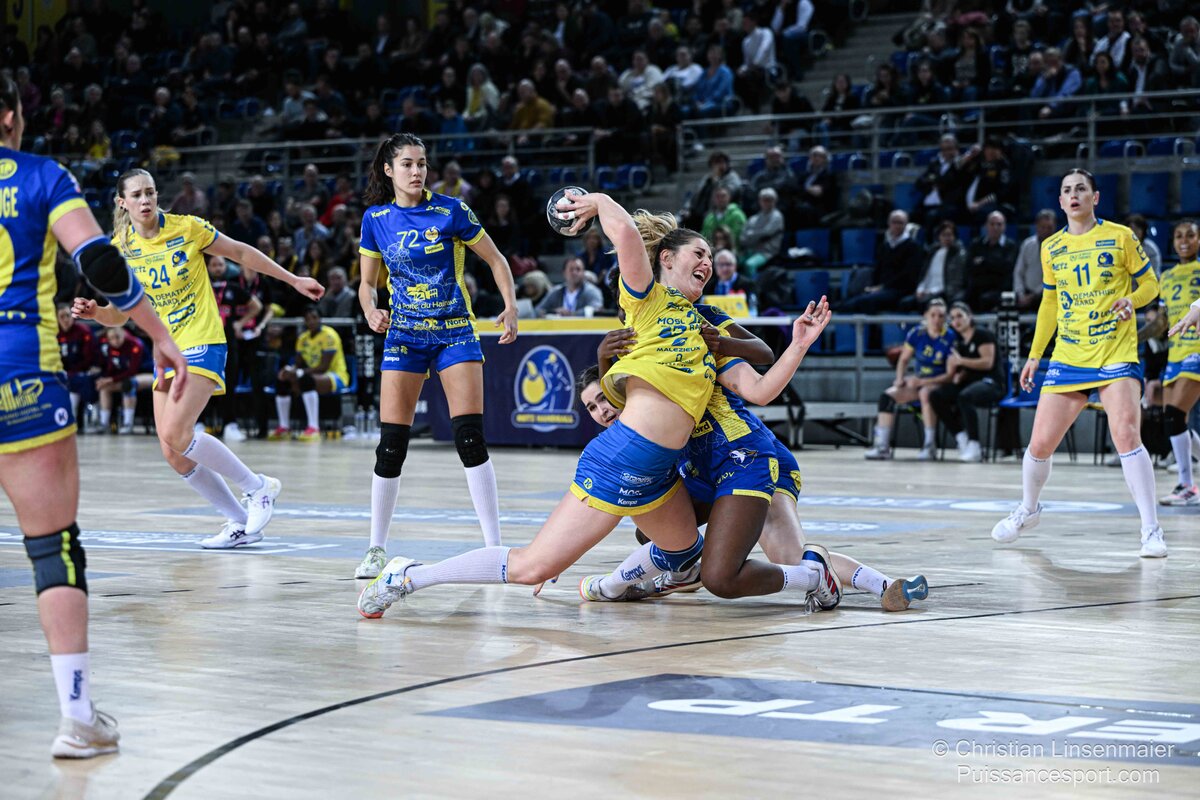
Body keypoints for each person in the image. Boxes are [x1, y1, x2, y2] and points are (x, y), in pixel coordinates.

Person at [357, 199, 839, 617]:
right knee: (531, 566)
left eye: (711, 257)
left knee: (684, 553)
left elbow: (760, 390)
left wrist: (799, 344)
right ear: (665, 259)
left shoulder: (704, 326)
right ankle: (410, 575)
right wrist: (596, 200)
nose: (707, 262)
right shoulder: (649, 302)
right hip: (623, 457)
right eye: (699, 253)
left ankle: (611, 586)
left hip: (660, 470)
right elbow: (625, 233)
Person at [0, 77, 189, 758]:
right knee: (52, 547)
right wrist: (158, 334)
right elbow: (101, 260)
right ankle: (77, 717)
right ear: (10, 116)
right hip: (20, 371)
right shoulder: (41, 176)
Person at [73, 168, 324, 550]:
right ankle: (239, 523)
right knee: (172, 452)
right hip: (167, 351)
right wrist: (96, 313)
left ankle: (258, 487)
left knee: (178, 432)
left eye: (150, 192)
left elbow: (240, 252)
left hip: (203, 340)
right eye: (136, 195)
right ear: (121, 202)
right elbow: (120, 314)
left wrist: (293, 279)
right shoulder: (119, 248)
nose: (145, 200)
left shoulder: (187, 227)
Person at [575, 362, 926, 611]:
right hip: (709, 474)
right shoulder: (634, 432)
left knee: (787, 557)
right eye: (591, 407)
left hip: (751, 461)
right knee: (657, 529)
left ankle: (884, 585)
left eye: (603, 398)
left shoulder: (663, 386)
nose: (602, 410)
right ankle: (688, 572)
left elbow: (754, 356)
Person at [353, 133, 519, 579]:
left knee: (470, 438)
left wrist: (510, 306)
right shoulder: (376, 219)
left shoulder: (452, 211)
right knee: (391, 445)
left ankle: (494, 548)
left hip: (454, 331)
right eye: (407, 164)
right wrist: (370, 310)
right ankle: (375, 549)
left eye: (422, 163)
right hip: (404, 335)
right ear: (389, 170)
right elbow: (367, 284)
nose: (417, 171)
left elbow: (497, 260)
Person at [992, 168, 1166, 558]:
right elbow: (1049, 303)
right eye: (1067, 190)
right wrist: (1035, 355)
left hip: (1114, 350)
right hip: (1069, 354)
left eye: (1081, 189)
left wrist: (1131, 301)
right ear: (1060, 201)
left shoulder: (1121, 236)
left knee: (1126, 435)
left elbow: (1151, 284)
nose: (1074, 195)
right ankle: (1029, 510)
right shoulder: (1051, 246)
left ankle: (1151, 530)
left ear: (1095, 197)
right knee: (1039, 443)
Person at [1140, 221, 1200, 506]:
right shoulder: (1166, 276)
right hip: (1176, 353)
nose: (1184, 240)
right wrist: (1133, 336)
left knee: (1175, 414)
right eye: (1178, 236)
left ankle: (1187, 486)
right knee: (1174, 419)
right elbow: (1162, 323)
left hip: (1197, 349)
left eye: (1190, 235)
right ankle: (1188, 485)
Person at [865, 298, 957, 461]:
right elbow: (904, 359)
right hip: (919, 381)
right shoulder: (917, 333)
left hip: (940, 383)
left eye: (941, 316)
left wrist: (922, 382)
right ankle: (882, 446)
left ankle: (930, 446)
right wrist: (899, 379)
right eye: (933, 315)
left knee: (926, 394)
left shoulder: (950, 337)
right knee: (887, 396)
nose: (936, 319)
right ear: (925, 315)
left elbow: (950, 375)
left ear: (946, 318)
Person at [929, 301, 1005, 462]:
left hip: (992, 383)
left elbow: (987, 362)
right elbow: (964, 366)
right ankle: (961, 436)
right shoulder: (958, 340)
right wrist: (960, 374)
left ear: (969, 316)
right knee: (936, 395)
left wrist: (961, 361)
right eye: (952, 318)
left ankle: (975, 444)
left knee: (965, 396)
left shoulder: (983, 335)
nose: (956, 321)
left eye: (959, 316)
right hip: (970, 383)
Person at [272, 306, 349, 441]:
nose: (311, 321)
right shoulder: (303, 338)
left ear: (320, 319)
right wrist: (289, 370)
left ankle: (314, 428)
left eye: (314, 318)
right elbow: (298, 363)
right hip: (311, 374)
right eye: (308, 319)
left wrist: (299, 372)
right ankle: (284, 427)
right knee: (282, 381)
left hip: (335, 376)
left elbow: (324, 367)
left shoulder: (329, 335)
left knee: (306, 380)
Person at [94, 326, 145, 435]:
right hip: (124, 376)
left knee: (129, 384)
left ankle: (128, 423)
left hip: (146, 373)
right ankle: (104, 423)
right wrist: (105, 380)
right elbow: (111, 369)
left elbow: (133, 370)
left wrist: (111, 379)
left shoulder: (135, 344)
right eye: (111, 338)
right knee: (104, 387)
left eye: (117, 337)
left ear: (123, 333)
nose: (115, 341)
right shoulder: (108, 347)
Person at [964, 210, 1019, 312]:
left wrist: (983, 262)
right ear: (986, 226)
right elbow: (969, 266)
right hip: (977, 288)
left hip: (1000, 288)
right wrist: (995, 263)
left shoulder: (1011, 246)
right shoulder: (976, 244)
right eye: (992, 224)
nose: (995, 227)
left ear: (1004, 227)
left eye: (999, 224)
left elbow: (1007, 268)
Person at [56, 303, 98, 431]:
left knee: (81, 381)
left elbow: (89, 357)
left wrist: (72, 372)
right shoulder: (54, 334)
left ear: (73, 316)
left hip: (82, 371)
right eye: (62, 317)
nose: (65, 320)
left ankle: (87, 419)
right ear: (57, 319)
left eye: (67, 316)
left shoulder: (83, 331)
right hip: (62, 372)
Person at [1014, 209, 1059, 310]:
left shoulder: (1060, 248)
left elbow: (1054, 278)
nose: (1046, 231)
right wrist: (1020, 294)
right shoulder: (1027, 244)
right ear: (1037, 226)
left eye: (1049, 227)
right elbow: (1019, 272)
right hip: (1025, 293)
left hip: (1049, 294)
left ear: (1055, 227)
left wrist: (1033, 296)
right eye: (1043, 227)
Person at [536, 257, 604, 317]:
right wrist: (554, 312)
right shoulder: (556, 291)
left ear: (583, 272)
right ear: (564, 273)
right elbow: (537, 311)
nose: (574, 272)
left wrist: (572, 314)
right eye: (571, 269)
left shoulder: (593, 291)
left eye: (578, 269)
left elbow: (596, 310)